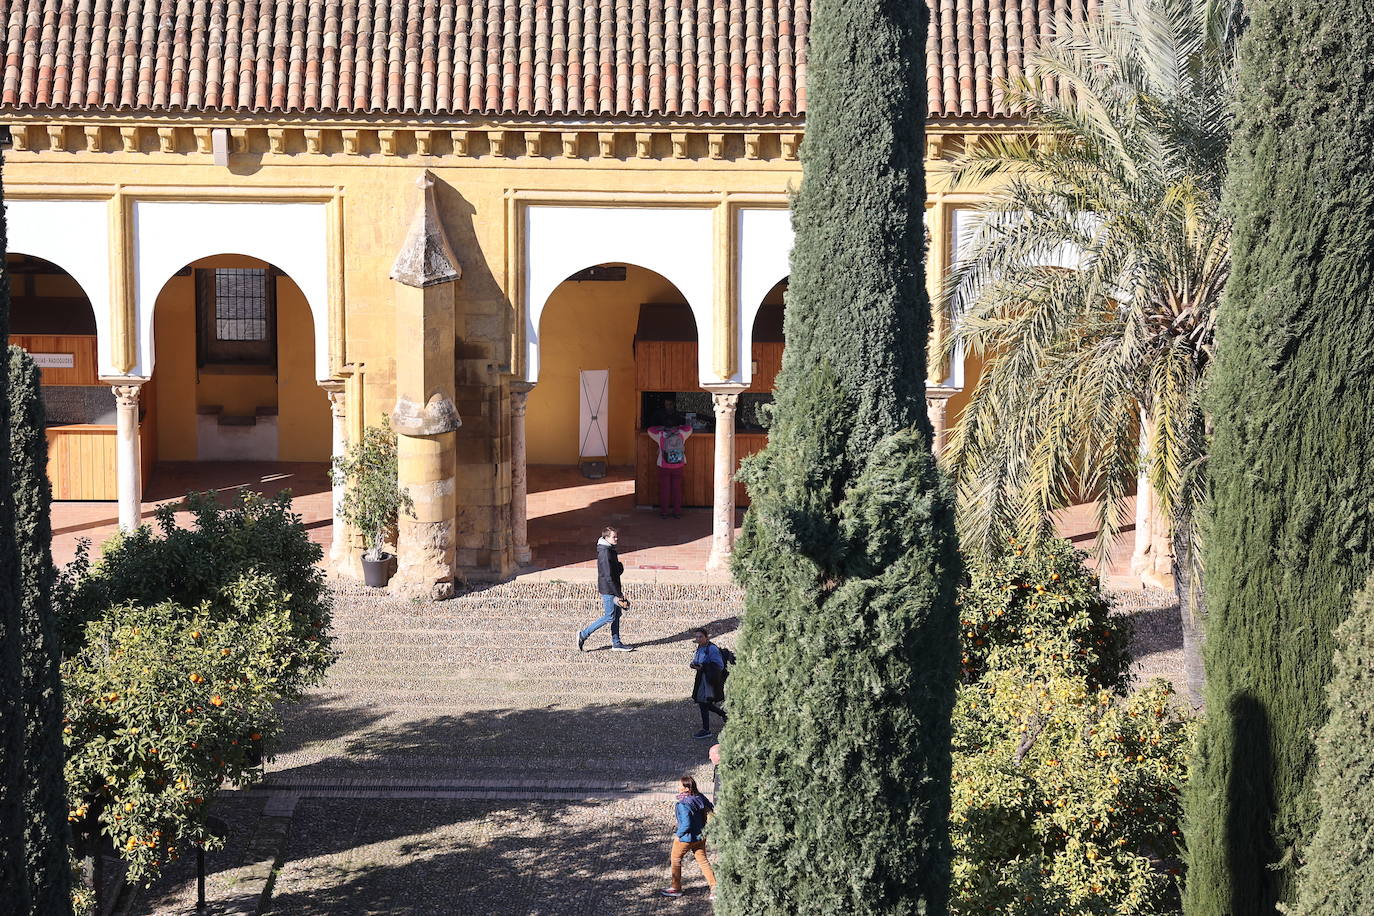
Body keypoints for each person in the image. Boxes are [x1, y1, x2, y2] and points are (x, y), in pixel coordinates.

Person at [577, 526, 634, 652]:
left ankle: (616, 643)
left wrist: (619, 568)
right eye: (614, 536)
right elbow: (608, 577)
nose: (616, 538)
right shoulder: (605, 553)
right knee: (609, 616)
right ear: (606, 537)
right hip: (609, 590)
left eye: (616, 536)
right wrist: (619, 594)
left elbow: (614, 571)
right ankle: (583, 634)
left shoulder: (609, 549)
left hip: (612, 588)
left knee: (617, 614)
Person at [660, 775, 717, 900]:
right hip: (701, 836)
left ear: (686, 789)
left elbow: (686, 824)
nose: (678, 787)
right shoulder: (699, 797)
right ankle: (715, 888)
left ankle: (676, 888)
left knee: (675, 859)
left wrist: (678, 835)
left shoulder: (683, 804)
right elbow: (710, 807)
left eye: (680, 785)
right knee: (703, 861)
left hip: (686, 838)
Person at [647, 416, 692, 519]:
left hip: (664, 465)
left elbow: (649, 430)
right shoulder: (682, 434)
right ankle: (677, 512)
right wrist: (680, 427)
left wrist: (661, 428)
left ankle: (664, 512)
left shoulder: (660, 435)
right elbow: (689, 428)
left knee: (664, 489)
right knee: (677, 489)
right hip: (678, 464)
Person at [689, 627, 727, 739]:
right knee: (704, 703)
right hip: (701, 677)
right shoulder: (700, 648)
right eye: (696, 637)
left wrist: (704, 667)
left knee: (703, 702)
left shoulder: (712, 649)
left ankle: (706, 730)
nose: (698, 639)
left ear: (706, 637)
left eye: (700, 636)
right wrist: (694, 665)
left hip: (708, 679)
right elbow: (698, 660)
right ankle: (724, 715)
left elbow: (720, 665)